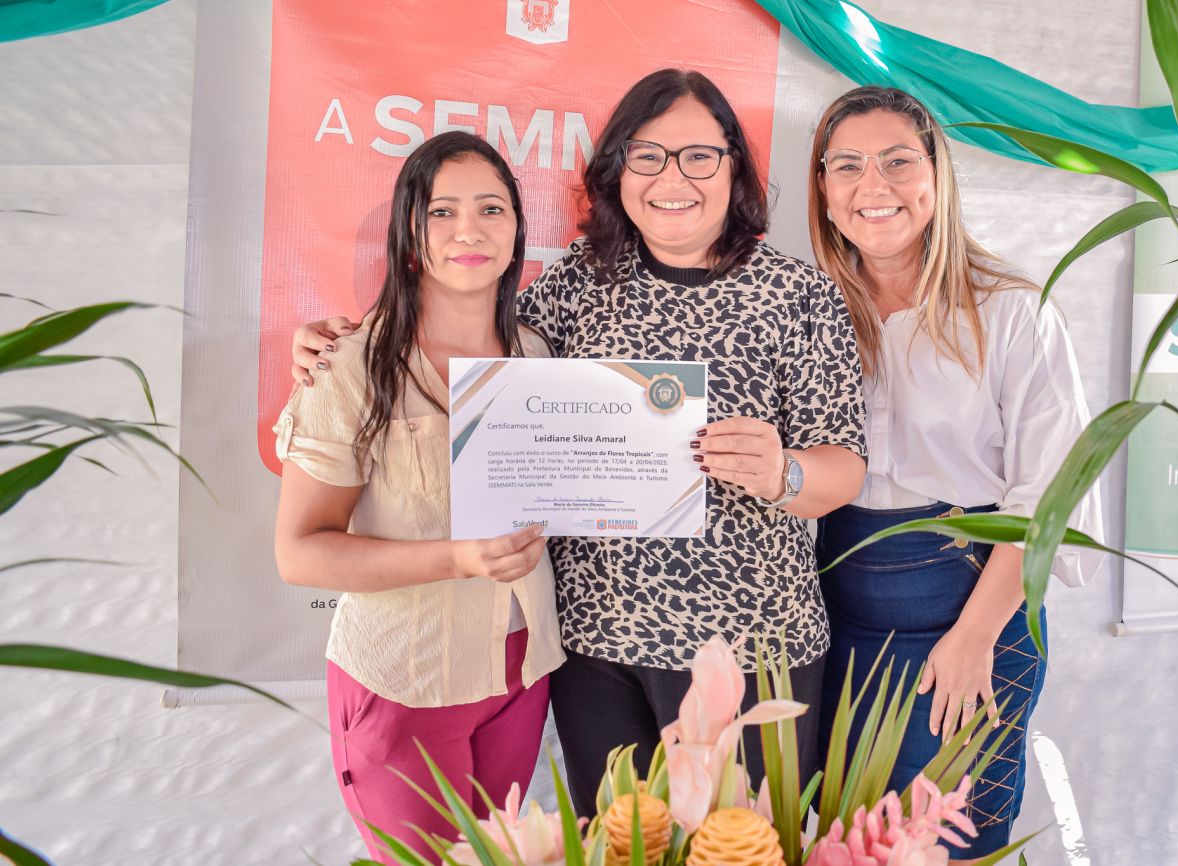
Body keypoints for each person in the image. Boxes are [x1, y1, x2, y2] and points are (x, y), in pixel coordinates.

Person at [290, 69, 868, 818]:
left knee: (739, 849)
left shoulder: (800, 296)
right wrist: (331, 343)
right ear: (617, 170)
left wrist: (785, 472)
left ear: (734, 167)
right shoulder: (574, 286)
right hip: (596, 648)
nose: (673, 178)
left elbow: (845, 468)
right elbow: (466, 333)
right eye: (647, 155)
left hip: (751, 647)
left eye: (700, 156)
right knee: (616, 847)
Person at [806, 86, 1102, 861]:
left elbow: (1051, 495)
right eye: (848, 166)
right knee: (848, 843)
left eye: (898, 161)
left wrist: (975, 638)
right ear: (824, 190)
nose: (873, 185)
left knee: (944, 845)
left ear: (937, 176)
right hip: (838, 623)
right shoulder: (808, 312)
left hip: (973, 613)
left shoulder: (1012, 310)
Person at [272, 131, 565, 864]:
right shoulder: (349, 366)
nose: (470, 229)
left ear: (517, 232)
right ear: (409, 232)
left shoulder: (537, 355)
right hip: (406, 682)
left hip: (521, 674)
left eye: (492, 209)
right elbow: (300, 553)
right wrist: (458, 558)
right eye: (442, 211)